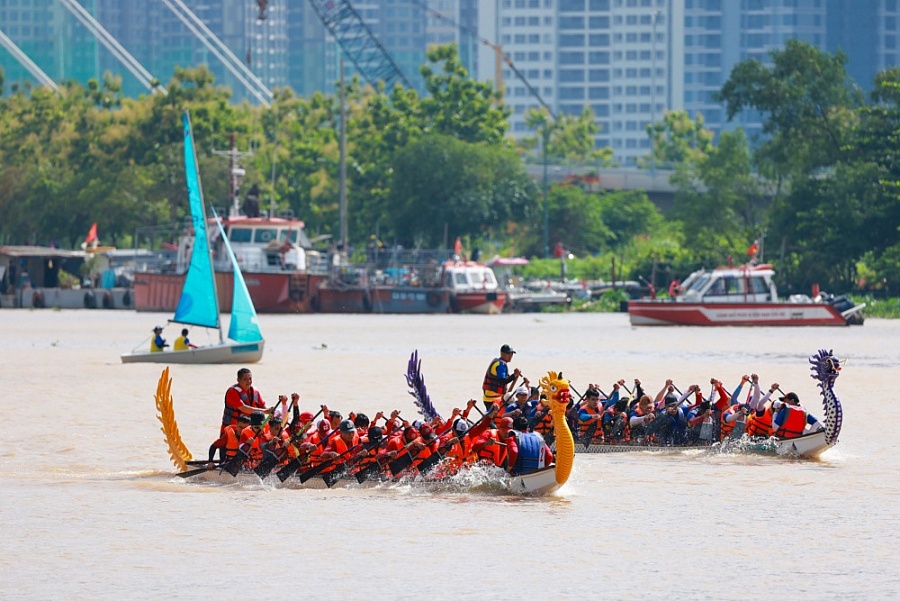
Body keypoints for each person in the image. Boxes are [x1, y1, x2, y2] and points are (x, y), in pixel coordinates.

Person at [220, 368, 270, 435]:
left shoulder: (255, 391)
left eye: (250, 379)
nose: (248, 381)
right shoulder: (232, 392)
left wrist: (271, 412)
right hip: (232, 430)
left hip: (249, 429)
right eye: (245, 379)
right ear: (238, 380)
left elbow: (263, 406)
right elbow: (244, 408)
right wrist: (266, 411)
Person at [482, 344, 521, 411]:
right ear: (502, 354)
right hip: (492, 398)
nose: (510, 356)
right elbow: (502, 381)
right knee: (495, 416)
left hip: (493, 397)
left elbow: (504, 378)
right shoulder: (500, 365)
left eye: (511, 354)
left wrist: (513, 375)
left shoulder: (500, 363)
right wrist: (514, 375)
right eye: (508, 354)